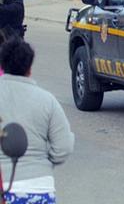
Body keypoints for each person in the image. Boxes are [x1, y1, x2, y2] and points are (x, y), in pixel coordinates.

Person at [0, 39, 75, 203]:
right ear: (29, 68)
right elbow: (64, 147)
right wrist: (41, 164)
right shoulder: (47, 100)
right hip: (39, 188)